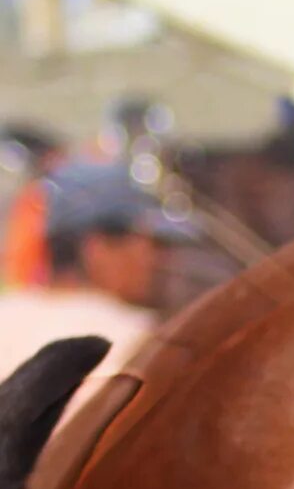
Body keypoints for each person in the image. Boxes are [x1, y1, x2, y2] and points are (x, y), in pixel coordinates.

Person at [0, 160, 188, 382]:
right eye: (154, 244)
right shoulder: (137, 339)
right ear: (97, 248)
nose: (161, 260)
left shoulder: (6, 316)